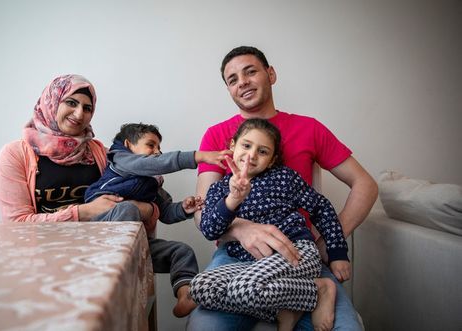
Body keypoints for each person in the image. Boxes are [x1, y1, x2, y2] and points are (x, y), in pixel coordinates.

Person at [187, 46, 378, 331]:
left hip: (295, 251)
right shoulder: (216, 135)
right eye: (233, 79)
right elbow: (205, 214)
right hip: (234, 253)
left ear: (270, 74)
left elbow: (365, 184)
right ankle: (287, 303)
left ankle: (310, 293)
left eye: (251, 71)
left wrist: (330, 243)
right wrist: (242, 228)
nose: (243, 82)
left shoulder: (309, 129)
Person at [190, 119, 349, 331]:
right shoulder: (219, 189)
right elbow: (210, 230)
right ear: (232, 146)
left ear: (272, 160)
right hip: (247, 263)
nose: (252, 155)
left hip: (295, 253)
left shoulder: (284, 177)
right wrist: (232, 200)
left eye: (262, 151)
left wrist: (337, 252)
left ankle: (321, 290)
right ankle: (297, 301)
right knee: (200, 288)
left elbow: (321, 208)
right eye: (246, 145)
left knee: (243, 288)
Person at [84, 122, 231, 317]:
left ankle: (186, 294)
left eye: (159, 148)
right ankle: (114, 278)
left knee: (182, 251)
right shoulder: (121, 160)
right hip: (100, 238)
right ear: (128, 145)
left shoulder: (151, 184)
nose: (157, 152)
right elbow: (149, 164)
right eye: (151, 145)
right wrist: (199, 156)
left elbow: (166, 213)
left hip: (135, 247)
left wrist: (184, 208)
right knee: (128, 208)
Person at [0, 74, 156, 225]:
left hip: (101, 248)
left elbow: (152, 207)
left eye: (87, 108)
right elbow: (16, 224)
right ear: (52, 102)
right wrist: (81, 212)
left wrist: (140, 208)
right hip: (42, 251)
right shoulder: (15, 155)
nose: (79, 114)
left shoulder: (101, 153)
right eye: (71, 103)